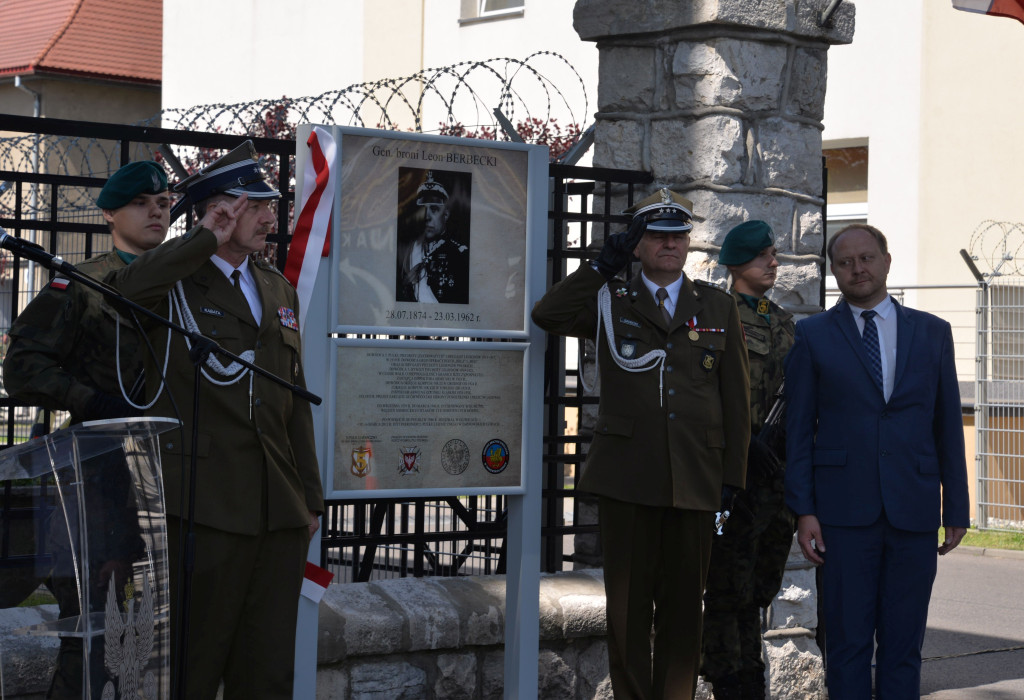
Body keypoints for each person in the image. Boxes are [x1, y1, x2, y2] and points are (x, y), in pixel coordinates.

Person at [107, 141, 324, 699]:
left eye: (267, 205)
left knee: (268, 667)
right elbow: (128, 291)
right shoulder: (176, 280)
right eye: (254, 205)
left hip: (276, 505)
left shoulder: (276, 287)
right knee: (195, 664)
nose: (268, 216)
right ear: (220, 212)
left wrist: (310, 495)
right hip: (205, 505)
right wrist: (203, 237)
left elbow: (292, 395)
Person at [532, 188, 750, 699]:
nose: (670, 244)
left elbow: (736, 402)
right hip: (627, 477)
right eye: (656, 235)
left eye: (678, 235)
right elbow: (550, 314)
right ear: (636, 245)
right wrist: (600, 266)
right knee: (627, 614)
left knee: (682, 613)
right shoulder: (611, 301)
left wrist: (731, 479)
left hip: (695, 478)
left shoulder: (717, 305)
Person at [3, 160, 172, 698]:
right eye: (141, 203)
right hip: (102, 478)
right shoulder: (82, 285)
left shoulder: (188, 284)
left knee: (168, 625)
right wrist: (88, 401)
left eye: (164, 203)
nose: (156, 212)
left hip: (178, 473)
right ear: (109, 215)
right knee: (97, 624)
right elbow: (23, 367)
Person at [784, 223, 969, 699]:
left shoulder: (933, 333)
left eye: (866, 258)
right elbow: (799, 432)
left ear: (887, 261)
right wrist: (804, 509)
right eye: (845, 263)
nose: (857, 269)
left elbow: (947, 426)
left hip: (913, 510)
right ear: (834, 272)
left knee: (904, 646)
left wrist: (958, 509)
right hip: (842, 516)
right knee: (846, 644)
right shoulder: (812, 336)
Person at [700, 221, 796, 700]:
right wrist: (742, 445)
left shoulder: (782, 321)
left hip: (775, 479)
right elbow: (707, 393)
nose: (773, 262)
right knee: (726, 588)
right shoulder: (717, 316)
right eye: (763, 256)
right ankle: (728, 681)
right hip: (735, 476)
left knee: (758, 588)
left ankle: (751, 676)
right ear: (737, 263)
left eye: (774, 254)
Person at [396, 170, 469, 303]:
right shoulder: (409, 251)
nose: (426, 217)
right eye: (423, 210)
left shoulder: (459, 253)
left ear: (445, 215)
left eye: (434, 210)